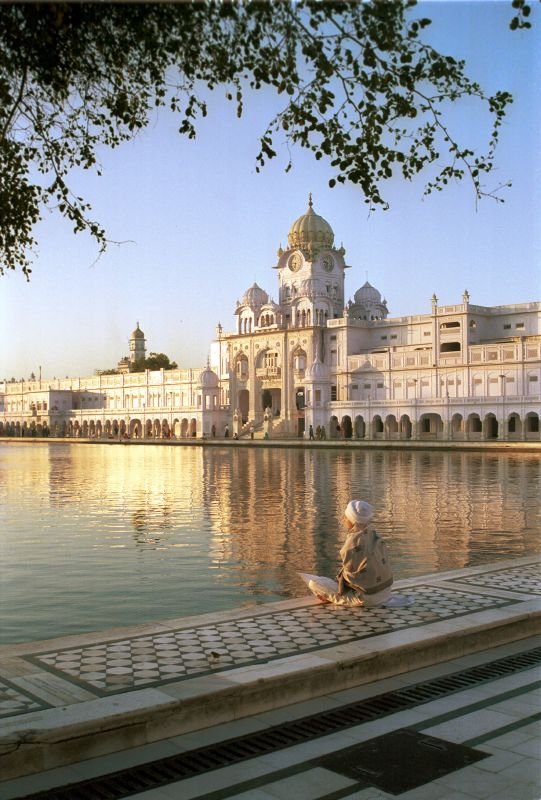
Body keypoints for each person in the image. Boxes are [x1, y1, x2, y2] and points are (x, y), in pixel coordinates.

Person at [336, 500, 393, 607]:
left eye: (345, 517)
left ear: (352, 521)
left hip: (368, 598)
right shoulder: (375, 536)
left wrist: (340, 579)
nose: (343, 519)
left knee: (317, 584)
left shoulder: (351, 543)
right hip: (386, 592)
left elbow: (349, 574)